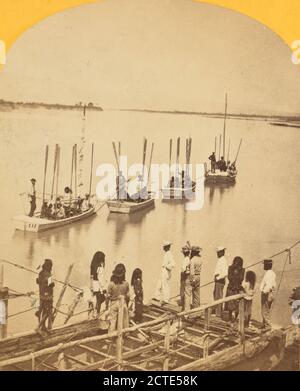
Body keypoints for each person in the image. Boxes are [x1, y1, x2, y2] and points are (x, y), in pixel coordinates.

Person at [107, 263, 130, 332]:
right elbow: (128, 295)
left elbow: (108, 296)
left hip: (113, 303)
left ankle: (110, 334)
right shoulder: (126, 284)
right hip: (123, 303)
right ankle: (126, 333)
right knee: (125, 319)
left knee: (112, 320)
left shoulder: (111, 284)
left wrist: (106, 305)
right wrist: (127, 303)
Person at [35, 259, 55, 332]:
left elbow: (37, 281)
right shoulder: (49, 275)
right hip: (48, 296)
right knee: (48, 312)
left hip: (42, 295)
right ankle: (42, 327)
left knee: (43, 310)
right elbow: (51, 285)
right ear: (49, 266)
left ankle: (43, 326)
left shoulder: (40, 273)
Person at [224, 256, 245, 323]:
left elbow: (241, 279)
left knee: (237, 306)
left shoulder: (242, 270)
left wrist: (238, 271)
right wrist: (234, 271)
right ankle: (230, 318)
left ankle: (235, 318)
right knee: (230, 305)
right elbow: (229, 277)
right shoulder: (230, 268)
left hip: (237, 289)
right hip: (231, 288)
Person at [90, 251, 108, 317]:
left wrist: (91, 286)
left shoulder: (93, 266)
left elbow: (91, 277)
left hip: (94, 286)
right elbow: (101, 279)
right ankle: (97, 313)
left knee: (96, 299)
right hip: (99, 286)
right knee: (101, 299)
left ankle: (94, 312)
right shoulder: (100, 267)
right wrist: (104, 289)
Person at [260, 259, 276, 329]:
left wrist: (264, 291)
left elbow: (269, 285)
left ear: (267, 265)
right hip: (270, 293)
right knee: (266, 309)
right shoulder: (271, 273)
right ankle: (264, 324)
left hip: (267, 294)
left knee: (265, 310)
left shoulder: (269, 274)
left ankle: (268, 326)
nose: (263, 266)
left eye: (264, 264)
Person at [213, 246, 228, 316]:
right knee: (216, 295)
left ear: (222, 252)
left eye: (218, 252)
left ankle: (218, 313)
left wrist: (218, 278)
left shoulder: (223, 260)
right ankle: (217, 311)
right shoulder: (220, 259)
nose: (217, 254)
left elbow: (225, 273)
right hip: (217, 280)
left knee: (219, 296)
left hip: (220, 281)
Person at [180, 244, 191, 309]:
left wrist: (182, 276)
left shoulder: (185, 260)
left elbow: (183, 269)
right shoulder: (189, 259)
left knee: (183, 290)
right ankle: (185, 305)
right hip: (187, 275)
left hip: (184, 276)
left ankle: (183, 305)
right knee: (186, 291)